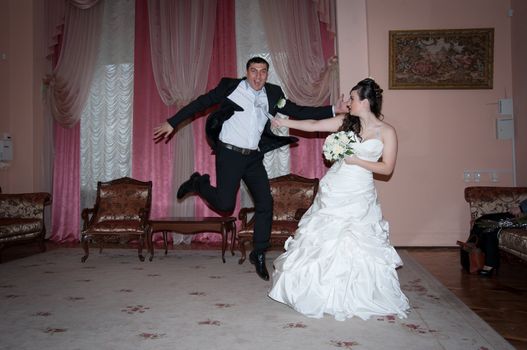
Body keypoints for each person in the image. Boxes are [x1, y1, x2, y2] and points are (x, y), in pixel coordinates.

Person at [153, 56, 348, 281]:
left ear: (267, 74)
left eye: (262, 71)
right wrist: (172, 122)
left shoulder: (273, 93)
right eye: (253, 71)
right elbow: (200, 104)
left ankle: (259, 252)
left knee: (266, 203)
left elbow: (300, 111)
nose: (258, 76)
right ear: (246, 72)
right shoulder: (230, 87)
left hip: (253, 157)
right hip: (229, 154)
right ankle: (199, 183)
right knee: (225, 205)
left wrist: (335, 109)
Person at [268, 78, 410, 321]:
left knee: (356, 240)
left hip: (359, 194)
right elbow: (314, 124)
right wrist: (284, 121)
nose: (348, 103)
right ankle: (318, 293)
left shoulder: (387, 132)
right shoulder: (346, 123)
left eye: (352, 98)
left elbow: (386, 168)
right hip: (334, 189)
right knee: (323, 239)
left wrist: (357, 160)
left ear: (365, 101)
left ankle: (356, 294)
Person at [469, 199, 527, 276]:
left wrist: (521, 208)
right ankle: (489, 262)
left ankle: (472, 251)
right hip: (523, 215)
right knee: (484, 223)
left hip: (524, 219)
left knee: (484, 223)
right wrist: (521, 208)